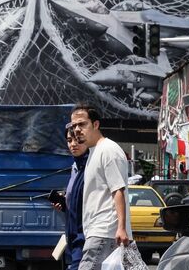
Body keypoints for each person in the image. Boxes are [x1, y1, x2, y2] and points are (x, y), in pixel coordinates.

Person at [70, 103, 132, 270]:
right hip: (97, 232)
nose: (77, 129)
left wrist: (121, 228)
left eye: (82, 124)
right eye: (74, 125)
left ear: (95, 124)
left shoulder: (108, 150)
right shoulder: (93, 152)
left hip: (105, 231)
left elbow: (118, 190)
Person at [52, 127, 89, 270]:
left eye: (78, 140)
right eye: (69, 140)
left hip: (85, 238)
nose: (73, 144)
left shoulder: (90, 167)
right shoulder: (75, 167)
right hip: (72, 238)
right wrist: (66, 204)